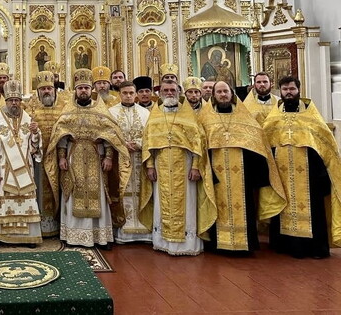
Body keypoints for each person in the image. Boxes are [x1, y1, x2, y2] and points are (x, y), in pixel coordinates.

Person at [45, 69, 131, 248]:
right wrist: (61, 157)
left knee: (98, 194)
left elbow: (109, 134)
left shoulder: (100, 110)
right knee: (73, 192)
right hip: (73, 155)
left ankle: (100, 237)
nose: (83, 91)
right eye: (80, 88)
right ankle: (73, 236)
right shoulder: (68, 110)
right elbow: (60, 136)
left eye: (86, 88)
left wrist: (108, 157)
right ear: (75, 91)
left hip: (95, 157)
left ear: (91, 89)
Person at [197, 81, 286, 253]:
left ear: (232, 94)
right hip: (216, 174)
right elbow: (200, 146)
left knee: (245, 208)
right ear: (214, 96)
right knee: (217, 206)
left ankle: (245, 244)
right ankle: (218, 245)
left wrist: (255, 174)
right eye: (219, 92)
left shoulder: (244, 118)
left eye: (226, 91)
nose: (223, 95)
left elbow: (257, 144)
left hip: (242, 176)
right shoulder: (205, 119)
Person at [264, 76, 341, 258]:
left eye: (292, 89)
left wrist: (322, 174)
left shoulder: (311, 116)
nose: (289, 92)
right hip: (282, 176)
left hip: (309, 176)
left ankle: (315, 248)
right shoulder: (274, 117)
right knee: (283, 208)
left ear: (299, 90)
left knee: (313, 211)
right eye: (285, 89)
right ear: (280, 92)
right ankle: (285, 246)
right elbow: (266, 143)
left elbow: (326, 145)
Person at [140, 79, 214, 256]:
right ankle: (162, 242)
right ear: (160, 93)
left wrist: (196, 167)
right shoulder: (155, 115)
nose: (169, 93)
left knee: (187, 203)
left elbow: (198, 143)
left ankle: (187, 245)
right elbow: (148, 142)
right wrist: (149, 166)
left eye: (173, 89)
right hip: (161, 166)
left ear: (179, 92)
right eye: (165, 90)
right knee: (161, 201)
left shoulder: (188, 115)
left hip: (185, 165)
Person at [0, 80, 43, 246]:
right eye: (11, 100)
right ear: (5, 101)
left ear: (20, 101)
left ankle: (30, 237)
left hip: (25, 169)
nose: (14, 103)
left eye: (17, 100)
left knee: (27, 200)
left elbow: (34, 147)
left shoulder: (28, 119)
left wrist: (36, 133)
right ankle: (3, 237)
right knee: (5, 201)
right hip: (4, 169)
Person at [108, 81, 152, 243]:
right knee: (122, 190)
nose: (128, 96)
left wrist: (139, 143)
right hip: (120, 158)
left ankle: (144, 229)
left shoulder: (145, 113)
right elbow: (108, 134)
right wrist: (122, 144)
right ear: (119, 94)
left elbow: (150, 134)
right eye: (124, 93)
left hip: (140, 158)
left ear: (135, 94)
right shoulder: (111, 112)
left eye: (131, 93)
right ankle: (123, 230)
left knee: (141, 190)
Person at [25, 71, 67, 237]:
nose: (47, 91)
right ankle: (40, 226)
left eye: (49, 88)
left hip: (59, 157)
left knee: (59, 189)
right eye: (43, 89)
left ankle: (59, 225)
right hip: (38, 159)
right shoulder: (29, 109)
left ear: (54, 89)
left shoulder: (64, 107)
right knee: (40, 190)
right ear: (38, 92)